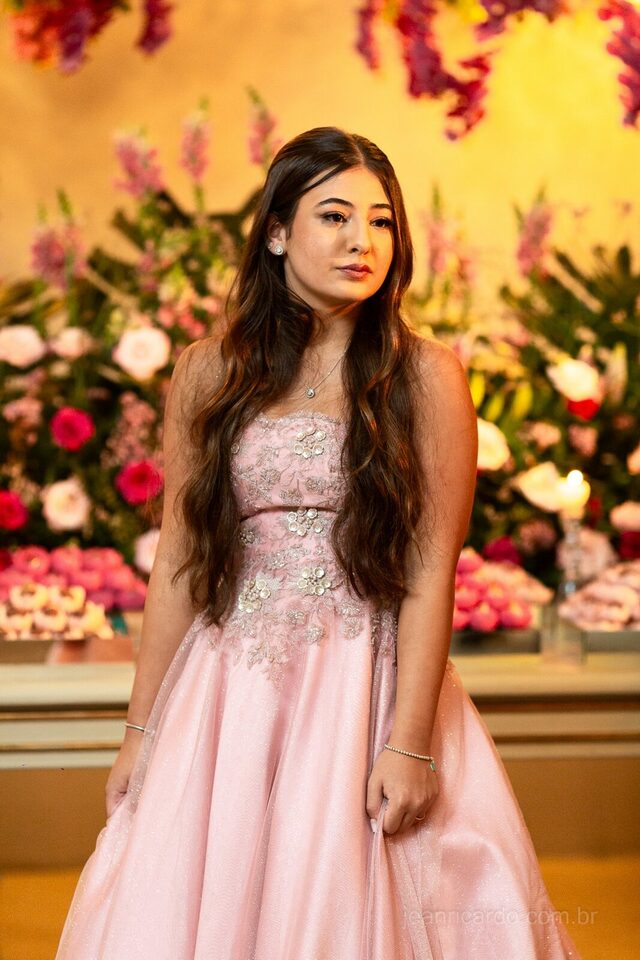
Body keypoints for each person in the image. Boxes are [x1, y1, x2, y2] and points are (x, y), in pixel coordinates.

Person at [55, 127, 582, 959]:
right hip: (231, 691)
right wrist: (140, 733)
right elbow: (182, 563)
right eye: (334, 216)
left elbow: (430, 569)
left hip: (367, 686)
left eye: (381, 221)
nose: (361, 240)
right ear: (276, 232)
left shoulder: (425, 376)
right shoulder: (208, 372)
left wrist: (409, 743)